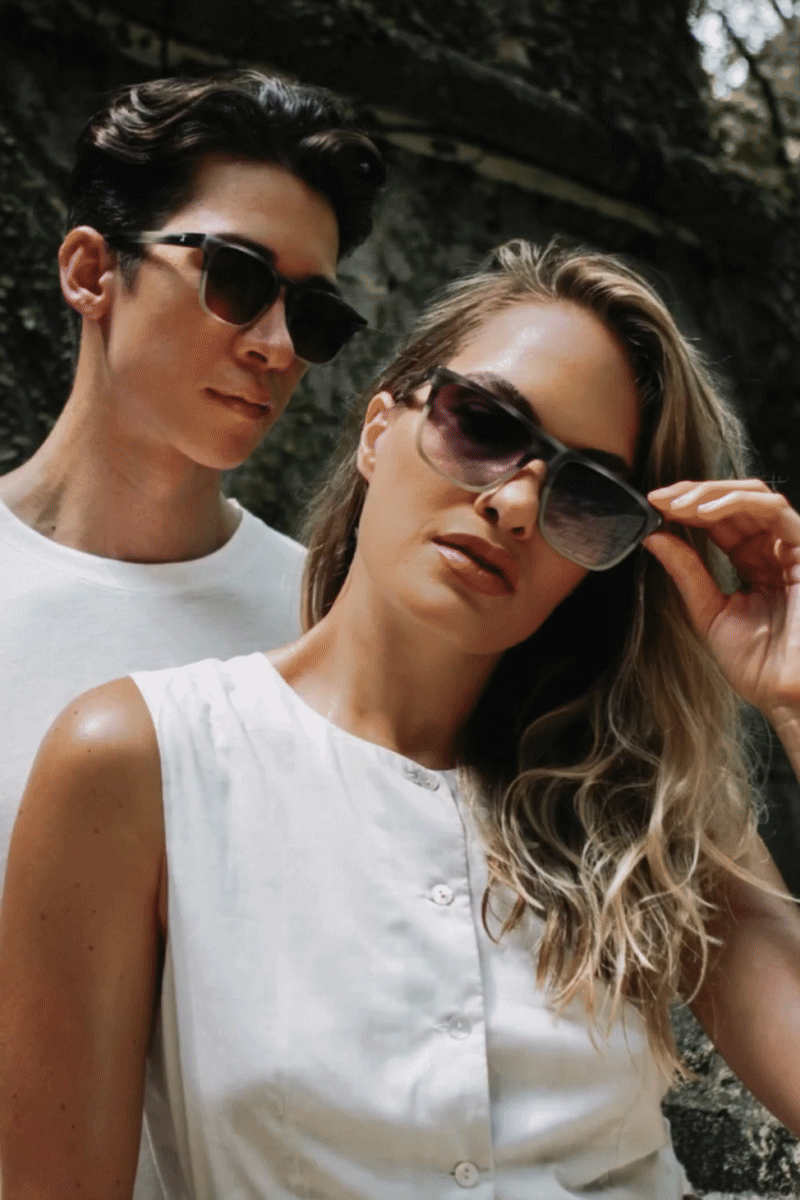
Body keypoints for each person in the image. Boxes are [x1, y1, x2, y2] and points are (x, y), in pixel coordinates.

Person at [3, 238, 800, 1199]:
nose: (512, 502)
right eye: (484, 424)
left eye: (587, 497)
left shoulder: (644, 803)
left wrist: (796, 701)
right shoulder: (143, 759)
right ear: (380, 426)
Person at [0, 69, 383, 1199]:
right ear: (88, 271)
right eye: (234, 277)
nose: (276, 343)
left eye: (313, 313)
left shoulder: (329, 620)